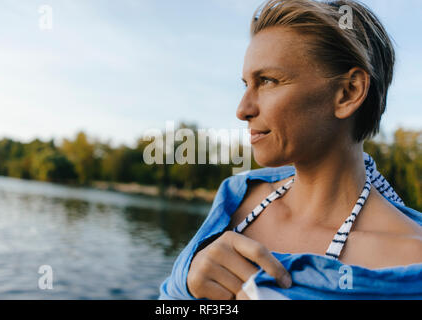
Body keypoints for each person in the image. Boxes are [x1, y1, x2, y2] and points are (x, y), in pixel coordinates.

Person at [159, 0, 422, 300]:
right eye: (246, 84)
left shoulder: (410, 260)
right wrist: (190, 288)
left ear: (348, 93)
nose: (242, 110)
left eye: (268, 81)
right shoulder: (236, 200)